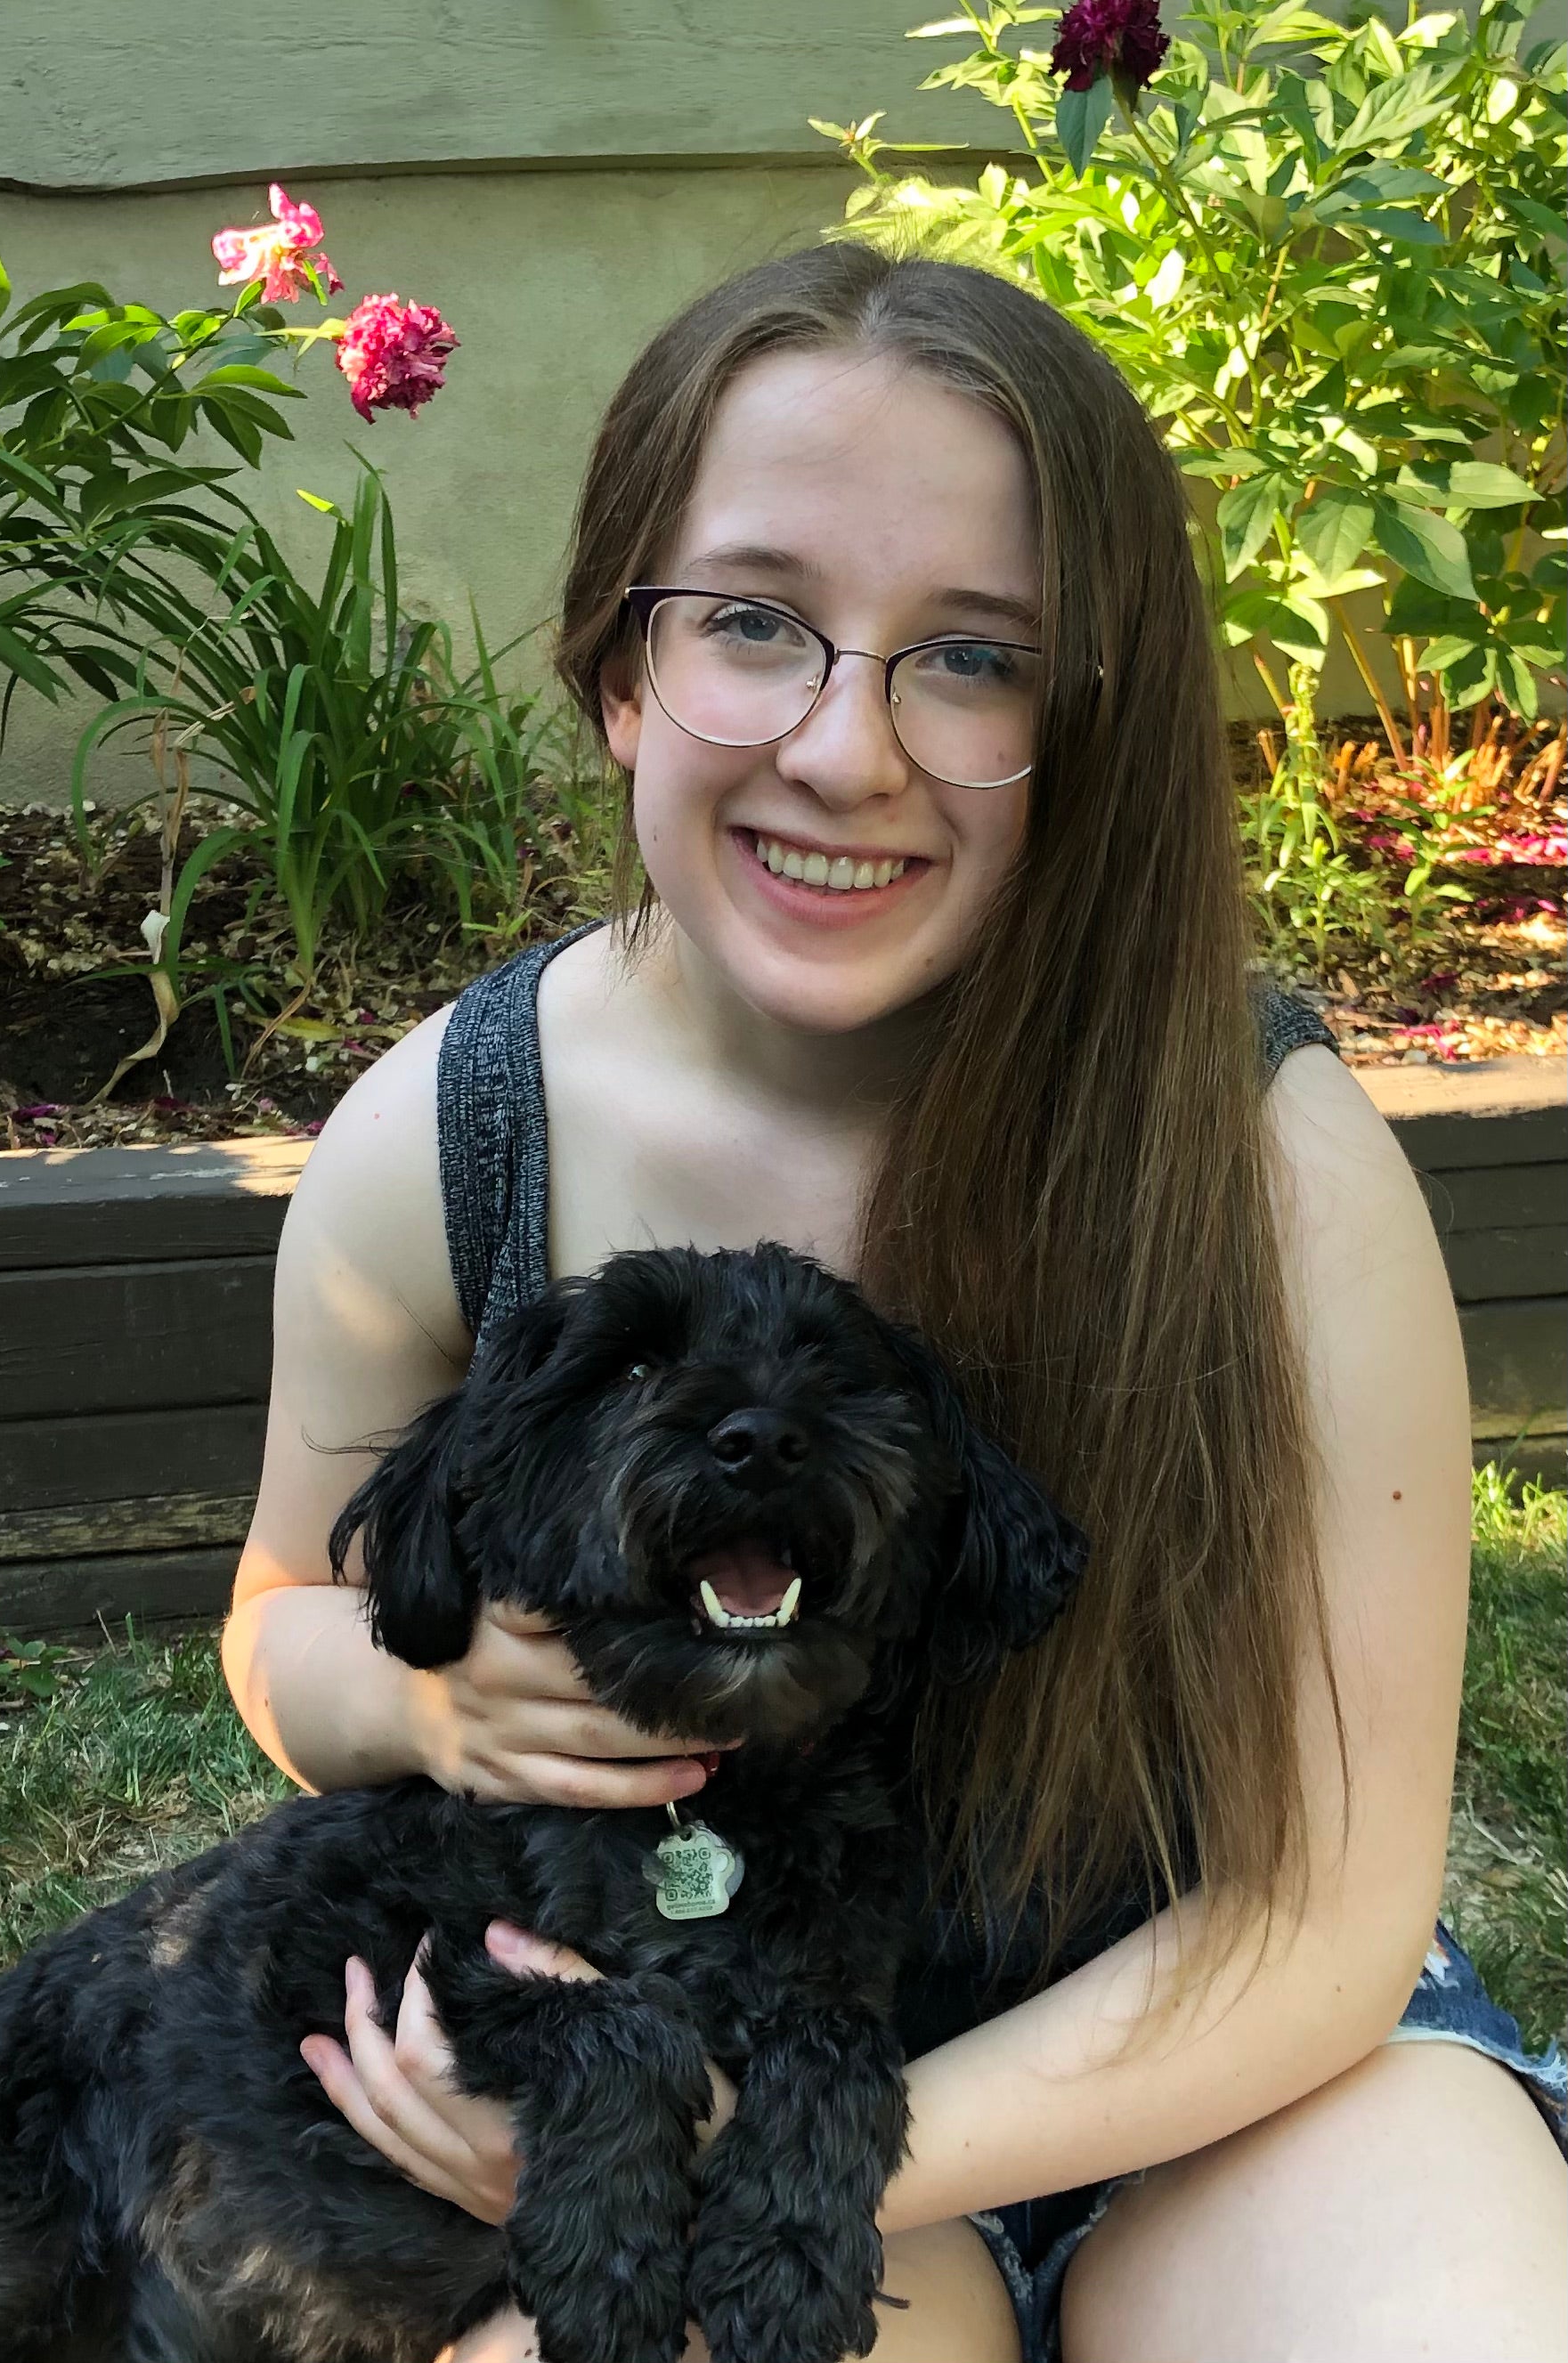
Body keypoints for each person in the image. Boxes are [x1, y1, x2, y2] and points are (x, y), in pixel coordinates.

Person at [220, 247, 1568, 2363]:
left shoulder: (1265, 1165)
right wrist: (425, 1704)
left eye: (971, 657)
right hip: (693, 2050)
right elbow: (277, 1608)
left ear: (1087, 725)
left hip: (1230, 2080)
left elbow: (1314, 1913)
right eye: (750, 622)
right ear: (610, 665)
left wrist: (787, 2148)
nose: (843, 748)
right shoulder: (447, 1140)